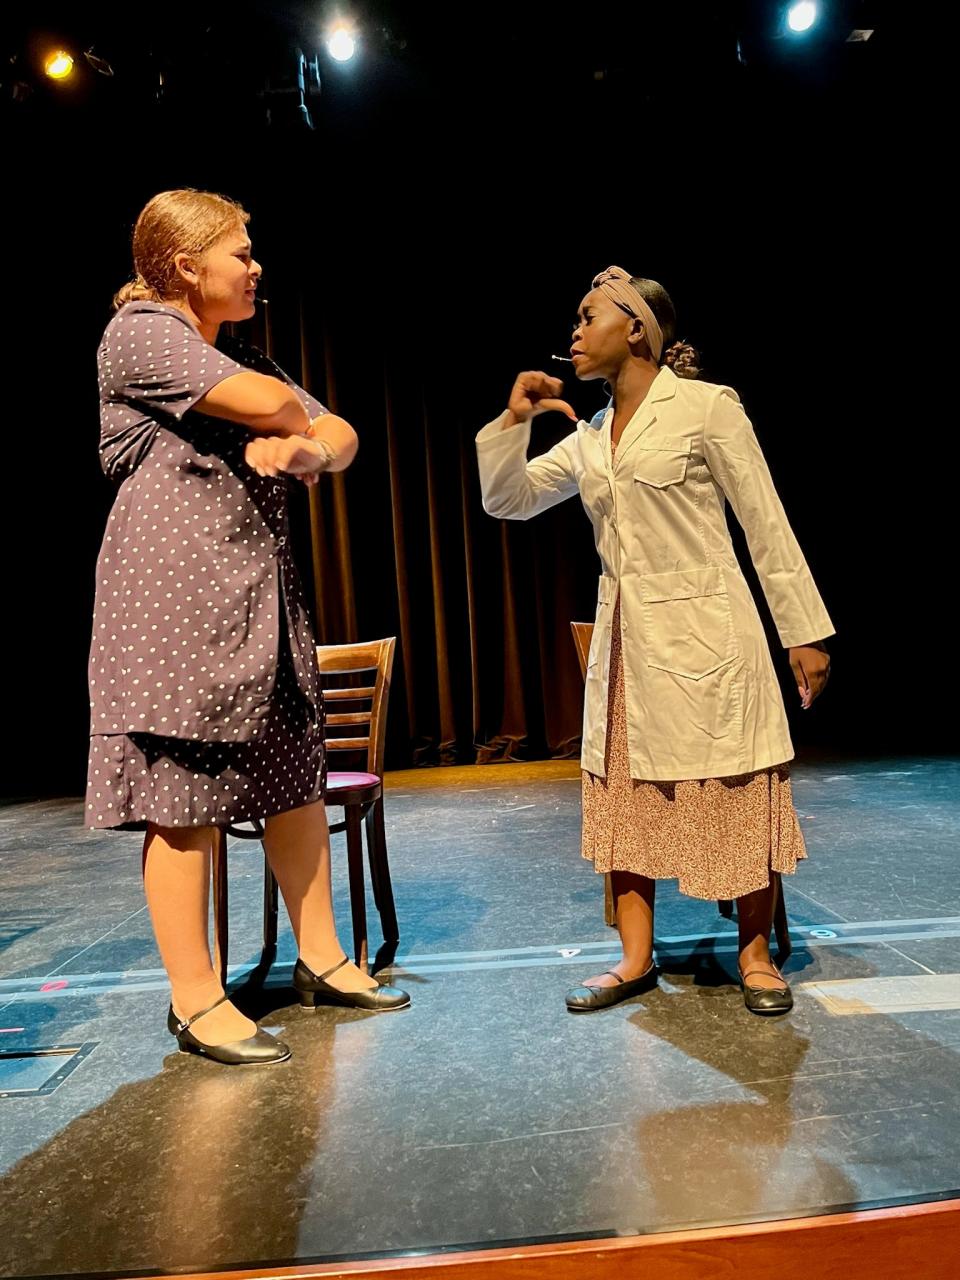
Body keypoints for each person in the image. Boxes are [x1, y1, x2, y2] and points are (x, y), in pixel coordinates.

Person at [87, 189, 409, 1066]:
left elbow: (337, 431)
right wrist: (294, 422)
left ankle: (323, 960)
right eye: (241, 250)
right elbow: (272, 403)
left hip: (259, 603)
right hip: (171, 614)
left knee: (294, 783)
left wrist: (313, 447)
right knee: (182, 803)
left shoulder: (244, 350)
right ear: (188, 265)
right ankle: (196, 1002)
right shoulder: (145, 333)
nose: (255, 264)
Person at [476, 266, 833, 1016]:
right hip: (628, 648)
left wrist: (803, 630)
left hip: (710, 633)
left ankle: (757, 954)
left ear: (636, 327)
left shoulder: (706, 409)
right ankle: (634, 958)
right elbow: (509, 500)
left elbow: (765, 523)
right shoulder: (593, 435)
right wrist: (514, 424)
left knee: (732, 790)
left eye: (587, 316)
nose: (573, 332)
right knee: (627, 802)